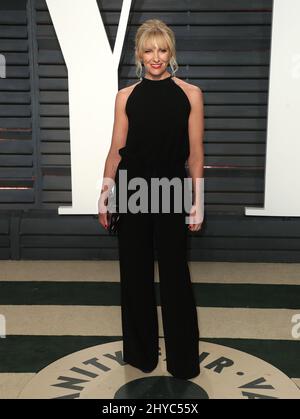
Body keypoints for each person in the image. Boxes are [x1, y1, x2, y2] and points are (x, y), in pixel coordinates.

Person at [98, 19, 204, 380]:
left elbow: (196, 154)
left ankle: (183, 361)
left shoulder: (190, 94)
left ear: (170, 53)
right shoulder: (125, 97)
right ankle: (142, 355)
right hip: (132, 191)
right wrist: (105, 194)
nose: (155, 57)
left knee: (176, 275)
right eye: (149, 50)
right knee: (135, 274)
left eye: (162, 50)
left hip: (172, 189)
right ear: (139, 55)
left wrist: (197, 200)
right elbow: (116, 150)